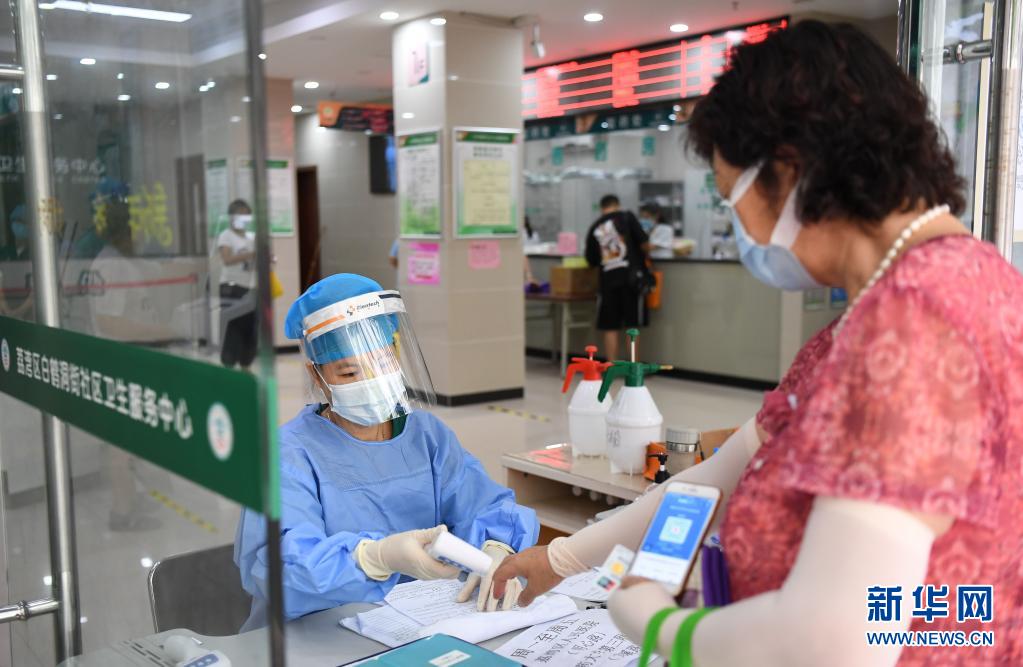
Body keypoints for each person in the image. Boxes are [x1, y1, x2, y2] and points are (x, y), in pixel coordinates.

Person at [492, 21, 1022, 665]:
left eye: (730, 197)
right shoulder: (952, 283)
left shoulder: (913, 322)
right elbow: (726, 472)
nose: (739, 225)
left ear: (788, 174)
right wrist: (561, 559)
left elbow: (839, 639)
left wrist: (662, 627)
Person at [234, 273, 539, 630]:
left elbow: (484, 504)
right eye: (350, 373)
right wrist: (375, 558)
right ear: (317, 377)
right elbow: (279, 566)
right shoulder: (287, 455)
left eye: (382, 363)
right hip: (315, 635)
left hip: (416, 626)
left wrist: (496, 548)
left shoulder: (427, 436)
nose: (372, 382)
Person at [584, 194, 650, 361]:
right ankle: (633, 368)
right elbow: (644, 243)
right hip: (631, 281)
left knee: (610, 327)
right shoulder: (627, 217)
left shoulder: (595, 227)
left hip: (607, 282)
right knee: (632, 327)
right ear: (617, 205)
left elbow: (591, 260)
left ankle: (611, 366)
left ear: (602, 208)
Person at [217, 199, 257, 368]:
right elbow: (227, 259)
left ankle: (245, 363)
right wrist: (250, 255)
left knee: (250, 326)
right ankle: (229, 363)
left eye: (247, 214)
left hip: (248, 288)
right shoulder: (226, 236)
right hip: (231, 287)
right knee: (232, 327)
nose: (244, 218)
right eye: (240, 214)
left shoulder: (251, 237)